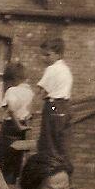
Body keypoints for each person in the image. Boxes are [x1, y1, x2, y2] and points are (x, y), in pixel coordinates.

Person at [35, 36, 73, 169]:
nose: (44, 58)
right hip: (65, 106)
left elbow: (40, 90)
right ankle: (65, 170)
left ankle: (50, 171)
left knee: (48, 142)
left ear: (58, 54)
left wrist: (32, 107)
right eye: (43, 55)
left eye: (47, 55)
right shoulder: (65, 69)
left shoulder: (52, 69)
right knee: (61, 143)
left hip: (53, 106)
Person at [0, 60, 33, 185]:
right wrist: (24, 126)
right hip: (24, 126)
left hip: (11, 127)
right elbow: (30, 113)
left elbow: (10, 110)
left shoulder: (12, 91)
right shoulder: (30, 93)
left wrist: (18, 126)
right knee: (16, 161)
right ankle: (11, 186)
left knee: (1, 158)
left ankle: (2, 186)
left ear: (13, 79)